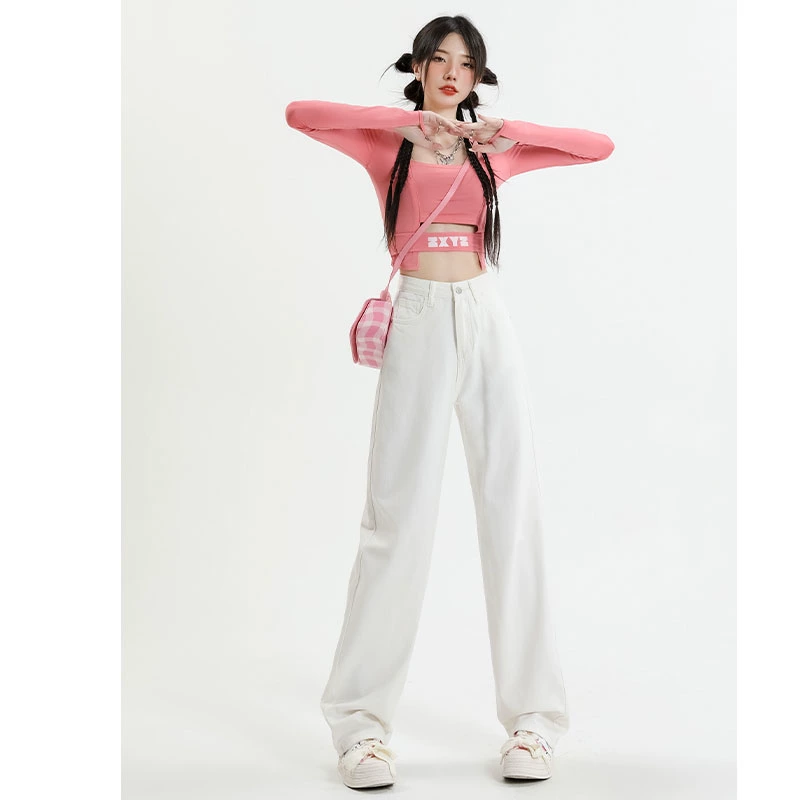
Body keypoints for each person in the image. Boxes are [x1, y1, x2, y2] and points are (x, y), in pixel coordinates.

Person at [284, 14, 614, 789]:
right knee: (395, 520)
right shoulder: (388, 146)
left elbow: (597, 146)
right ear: (420, 67)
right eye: (439, 59)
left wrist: (507, 131)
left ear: (477, 76)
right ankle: (361, 730)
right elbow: (302, 115)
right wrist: (406, 124)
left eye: (466, 63)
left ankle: (534, 725)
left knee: (512, 510)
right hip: (420, 321)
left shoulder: (495, 152)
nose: (452, 72)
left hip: (484, 316)